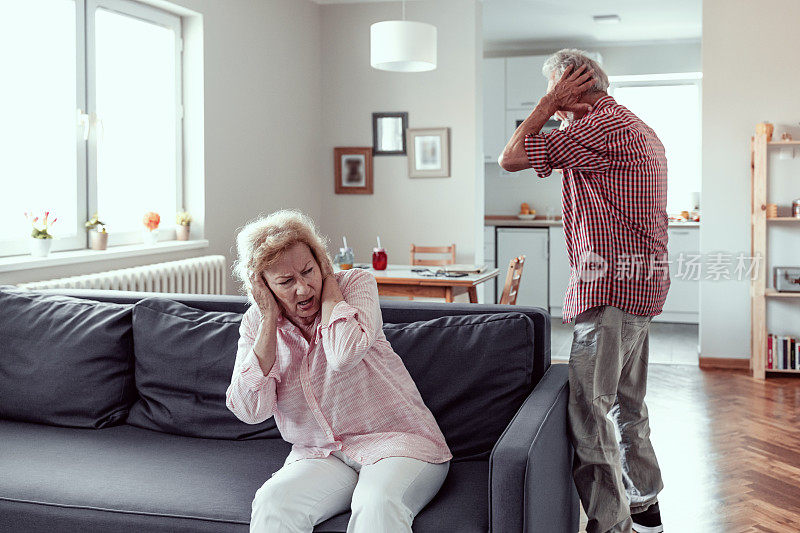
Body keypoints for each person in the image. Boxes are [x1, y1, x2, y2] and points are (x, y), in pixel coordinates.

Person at [499, 49, 668, 533]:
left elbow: (510, 156)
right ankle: (644, 506)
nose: (551, 99)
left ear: (570, 84)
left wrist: (548, 103)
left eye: (555, 87)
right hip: (639, 282)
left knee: (588, 407)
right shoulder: (629, 123)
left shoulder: (596, 127)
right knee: (626, 403)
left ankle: (609, 523)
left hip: (612, 285)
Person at [227, 209, 452, 533]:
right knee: (272, 502)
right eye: (286, 282)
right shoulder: (257, 324)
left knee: (376, 502)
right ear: (263, 286)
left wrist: (331, 285)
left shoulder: (356, 287)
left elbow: (343, 355)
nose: (303, 289)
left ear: (322, 262)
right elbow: (250, 410)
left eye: (308, 271)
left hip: (397, 444)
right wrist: (266, 320)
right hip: (322, 454)